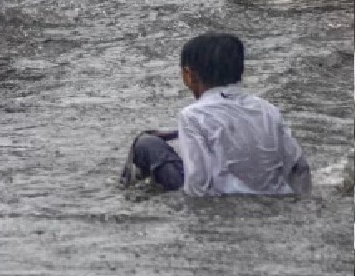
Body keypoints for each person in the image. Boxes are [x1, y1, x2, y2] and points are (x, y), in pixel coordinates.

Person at [125, 33, 312, 196]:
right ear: (241, 71)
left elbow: (198, 181)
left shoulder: (192, 116)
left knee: (146, 143)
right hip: (273, 195)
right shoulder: (267, 109)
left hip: (222, 198)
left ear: (188, 75)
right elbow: (298, 167)